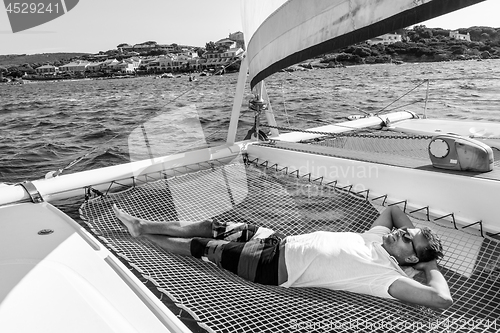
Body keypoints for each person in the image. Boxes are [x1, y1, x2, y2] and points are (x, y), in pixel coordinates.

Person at [112, 204, 453, 309]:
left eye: (408, 239)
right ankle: (143, 224)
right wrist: (417, 243)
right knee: (211, 226)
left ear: (410, 259)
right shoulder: (379, 238)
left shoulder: (385, 275)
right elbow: (393, 211)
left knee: (203, 248)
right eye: (407, 231)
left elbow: (441, 300)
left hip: (272, 267)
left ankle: (141, 234)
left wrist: (430, 264)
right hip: (278, 240)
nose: (402, 232)